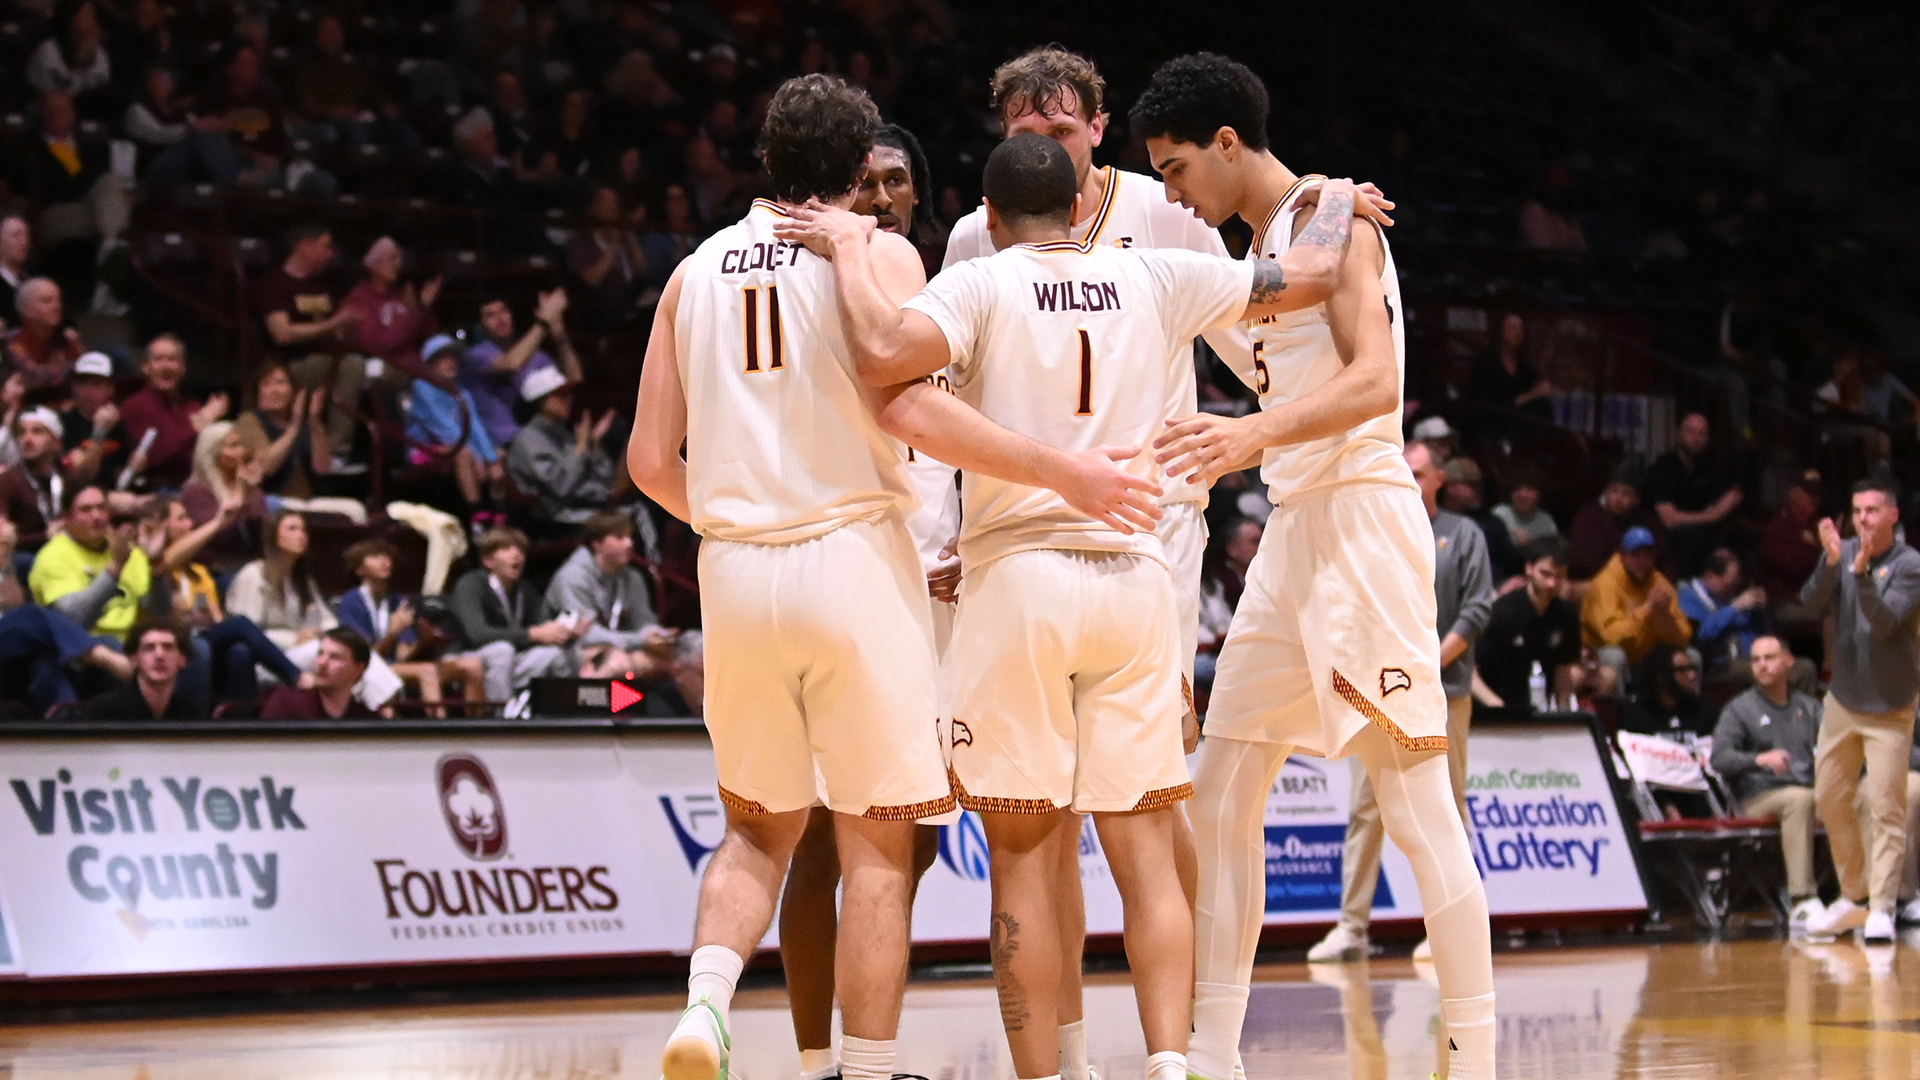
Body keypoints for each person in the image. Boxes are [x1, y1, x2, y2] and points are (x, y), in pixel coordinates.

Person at [777, 129, 1357, 1080]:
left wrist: (846, 247)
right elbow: (1312, 274)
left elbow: (884, 360)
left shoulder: (977, 283)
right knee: (1147, 851)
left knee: (1023, 860)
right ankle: (1171, 1064)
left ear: (990, 215)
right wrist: (1332, 193)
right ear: (1084, 206)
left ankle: (1043, 1076)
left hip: (1018, 582)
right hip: (1135, 580)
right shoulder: (1155, 273)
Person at [627, 78, 1164, 1080]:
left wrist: (743, 516)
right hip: (855, 559)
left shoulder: (690, 274)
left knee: (756, 830)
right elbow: (910, 412)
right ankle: (866, 1072)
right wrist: (1056, 470)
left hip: (734, 567)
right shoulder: (878, 255)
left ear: (767, 160)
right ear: (856, 170)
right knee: (877, 844)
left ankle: (705, 1003)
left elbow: (650, 462)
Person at [1131, 52, 1495, 1080]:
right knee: (1220, 791)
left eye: (1177, 168)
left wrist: (1246, 435)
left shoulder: (1337, 220)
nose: (1173, 193)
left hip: (1363, 520)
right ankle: (1212, 1054)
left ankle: (1474, 1056)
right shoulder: (1266, 248)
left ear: (1227, 143)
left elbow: (1377, 383)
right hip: (1295, 529)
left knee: (1416, 804)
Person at [777, 121, 952, 1077]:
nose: (881, 197)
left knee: (908, 849)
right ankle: (820, 1064)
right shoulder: (811, 292)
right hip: (848, 584)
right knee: (818, 842)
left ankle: (865, 1055)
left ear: (920, 193)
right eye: (865, 182)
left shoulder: (944, 289)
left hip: (938, 604)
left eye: (896, 181)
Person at [1310, 438, 1493, 964]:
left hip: (1442, 693)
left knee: (1446, 809)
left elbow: (1477, 609)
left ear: (1439, 479)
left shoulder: (1462, 534)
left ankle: (1449, 930)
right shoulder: (1375, 530)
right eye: (1402, 470)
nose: (1408, 480)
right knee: (1365, 810)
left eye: (1418, 472)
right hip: (1377, 695)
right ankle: (1351, 928)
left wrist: (1426, 664)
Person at [1801, 479, 1920, 943]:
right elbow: (1810, 602)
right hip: (1843, 700)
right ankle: (1854, 896)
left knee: (1887, 808)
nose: (1863, 519)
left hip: (1890, 707)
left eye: (1872, 510)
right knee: (1829, 797)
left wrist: (1861, 572)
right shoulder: (1843, 551)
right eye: (1856, 511)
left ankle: (1883, 908)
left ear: (1892, 515)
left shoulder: (1910, 565)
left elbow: (1885, 623)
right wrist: (1832, 562)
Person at [226, 509, 403, 708]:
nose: (301, 535)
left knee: (344, 650)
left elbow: (328, 620)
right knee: (330, 652)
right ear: (274, 536)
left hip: (303, 652)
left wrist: (321, 634)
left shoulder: (303, 581)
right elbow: (248, 632)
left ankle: (386, 706)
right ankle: (386, 707)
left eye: (303, 530)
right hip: (269, 660)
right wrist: (294, 639)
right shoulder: (254, 575)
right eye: (292, 529)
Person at [1709, 635, 1825, 930]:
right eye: (1756, 660)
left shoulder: (1810, 707)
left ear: (1789, 662)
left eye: (1769, 658)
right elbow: (1719, 758)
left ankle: (1870, 897)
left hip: (1811, 790)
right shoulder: (1739, 709)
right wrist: (1758, 759)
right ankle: (1802, 900)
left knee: (1862, 797)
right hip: (1758, 797)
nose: (1761, 665)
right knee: (1799, 799)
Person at [144, 493, 301, 707]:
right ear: (161, 527)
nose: (190, 524)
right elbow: (164, 564)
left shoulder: (199, 573)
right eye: (181, 519)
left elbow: (216, 619)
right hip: (172, 641)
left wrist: (206, 618)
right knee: (239, 624)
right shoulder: (151, 568)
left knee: (241, 652)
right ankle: (296, 677)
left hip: (202, 639)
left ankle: (239, 718)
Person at [543, 511, 697, 702]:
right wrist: (640, 640)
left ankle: (698, 716)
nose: (629, 543)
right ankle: (587, 715)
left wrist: (656, 635)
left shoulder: (633, 577)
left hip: (618, 644)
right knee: (619, 662)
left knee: (682, 658)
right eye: (619, 537)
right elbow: (587, 633)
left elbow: (643, 620)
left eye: (630, 537)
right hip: (566, 649)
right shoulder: (572, 577)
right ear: (597, 543)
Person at [253, 223, 366, 462]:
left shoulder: (323, 286)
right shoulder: (274, 283)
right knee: (352, 365)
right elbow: (281, 333)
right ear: (304, 246)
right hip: (290, 364)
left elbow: (337, 331)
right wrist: (333, 324)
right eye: (325, 246)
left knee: (358, 364)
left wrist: (348, 326)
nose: (330, 254)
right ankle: (336, 451)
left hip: (325, 361)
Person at [336, 538, 483, 717]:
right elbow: (366, 659)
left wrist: (423, 641)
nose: (385, 561)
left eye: (387, 557)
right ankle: (440, 729)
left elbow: (402, 657)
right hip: (371, 668)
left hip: (396, 666)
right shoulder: (352, 602)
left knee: (472, 665)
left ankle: (478, 726)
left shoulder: (398, 601)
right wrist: (392, 634)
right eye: (375, 557)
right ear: (359, 569)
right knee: (427, 671)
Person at [446, 527, 578, 706]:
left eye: (521, 550)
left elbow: (542, 628)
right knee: (502, 650)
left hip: (507, 662)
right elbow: (477, 634)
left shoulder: (524, 590)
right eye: (506, 549)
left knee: (555, 654)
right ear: (487, 561)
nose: (517, 555)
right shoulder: (470, 584)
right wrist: (532, 634)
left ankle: (564, 711)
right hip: (464, 655)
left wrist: (564, 633)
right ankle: (501, 715)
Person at [29, 484, 153, 645]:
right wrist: (115, 567)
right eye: (85, 510)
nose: (96, 516)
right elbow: (74, 620)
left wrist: (157, 570)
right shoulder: (53, 557)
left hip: (135, 643)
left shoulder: (128, 551)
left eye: (101, 508)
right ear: (67, 518)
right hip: (85, 646)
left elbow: (158, 612)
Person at [463, 289, 584, 453]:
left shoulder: (535, 355)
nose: (500, 319)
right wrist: (543, 321)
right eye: (490, 315)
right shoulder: (476, 355)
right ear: (479, 325)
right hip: (505, 444)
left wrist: (560, 337)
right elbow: (512, 363)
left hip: (542, 437)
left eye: (504, 311)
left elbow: (574, 378)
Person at [1474, 537, 1582, 716]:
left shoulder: (1566, 614)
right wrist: (1498, 708)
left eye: (1559, 576)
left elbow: (1564, 670)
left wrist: (1564, 712)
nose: (1552, 584)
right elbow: (1470, 674)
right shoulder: (1502, 613)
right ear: (1529, 568)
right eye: (1545, 574)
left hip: (1540, 713)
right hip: (1495, 714)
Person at [1580, 527, 1692, 696]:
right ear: (1622, 556)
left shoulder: (1659, 583)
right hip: (1600, 651)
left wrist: (1665, 617)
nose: (1641, 561)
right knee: (1616, 656)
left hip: (1644, 653)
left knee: (1690, 656)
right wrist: (1647, 609)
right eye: (1635, 555)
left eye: (1647, 555)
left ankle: (1689, 711)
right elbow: (1611, 637)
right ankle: (1618, 711)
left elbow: (1684, 637)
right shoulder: (1605, 584)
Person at [505, 366, 615, 529]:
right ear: (540, 401)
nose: (569, 399)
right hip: (551, 517)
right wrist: (580, 447)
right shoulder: (528, 440)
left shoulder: (565, 433)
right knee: (625, 521)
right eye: (560, 395)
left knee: (638, 509)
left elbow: (605, 479)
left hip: (587, 506)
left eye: (568, 394)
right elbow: (560, 488)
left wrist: (595, 443)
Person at [117, 333, 229, 490]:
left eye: (172, 359)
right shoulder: (135, 405)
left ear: (183, 368)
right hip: (156, 489)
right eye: (158, 359)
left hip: (199, 486)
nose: (166, 366)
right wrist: (198, 425)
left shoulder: (192, 406)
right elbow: (156, 457)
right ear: (146, 367)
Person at [406, 335, 502, 511]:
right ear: (429, 364)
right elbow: (444, 429)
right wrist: (477, 457)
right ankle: (477, 512)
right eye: (442, 357)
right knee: (464, 453)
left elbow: (475, 426)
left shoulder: (461, 391)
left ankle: (498, 512)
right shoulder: (422, 388)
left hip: (455, 445)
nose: (451, 362)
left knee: (498, 454)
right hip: (423, 449)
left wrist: (490, 458)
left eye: (453, 357)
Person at [1643, 413, 1742, 577]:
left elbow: (1711, 506)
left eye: (1702, 434)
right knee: (1692, 536)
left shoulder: (1706, 468)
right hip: (1667, 536)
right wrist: (1714, 515)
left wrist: (1725, 504)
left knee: (1738, 534)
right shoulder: (1664, 466)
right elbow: (1670, 519)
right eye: (1690, 432)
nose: (1696, 438)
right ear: (1678, 435)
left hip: (1701, 533)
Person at [178, 421, 270, 576]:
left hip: (249, 565)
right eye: (233, 446)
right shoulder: (196, 491)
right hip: (214, 569)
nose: (241, 451)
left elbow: (262, 535)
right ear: (212, 453)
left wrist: (251, 493)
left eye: (240, 445)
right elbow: (223, 537)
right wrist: (241, 492)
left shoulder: (248, 486)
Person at [342, 237, 441, 373]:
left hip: (415, 368)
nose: (399, 264)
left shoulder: (401, 296)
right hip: (384, 371)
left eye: (399, 258)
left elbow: (428, 336)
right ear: (373, 264)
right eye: (392, 258)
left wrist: (423, 308)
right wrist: (414, 312)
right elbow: (380, 344)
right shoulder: (359, 299)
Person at [1677, 548, 1769, 682]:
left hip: (1752, 654)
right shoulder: (1688, 598)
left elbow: (1761, 630)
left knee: (1795, 666)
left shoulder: (1730, 595)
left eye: (1735, 584)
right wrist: (1734, 608)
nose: (1732, 590)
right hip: (1720, 665)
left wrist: (1758, 610)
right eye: (1729, 585)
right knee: (1776, 672)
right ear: (1710, 576)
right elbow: (1701, 635)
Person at [76, 619, 198, 720]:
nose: (159, 655)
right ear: (134, 660)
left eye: (168, 647)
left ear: (182, 659)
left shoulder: (189, 714)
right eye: (149, 648)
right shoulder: (102, 711)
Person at [1566, 467, 1667, 584]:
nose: (1618, 499)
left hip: (1642, 583)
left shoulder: (1646, 521)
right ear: (1605, 492)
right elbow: (1587, 563)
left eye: (1626, 494)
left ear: (1636, 499)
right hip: (1594, 582)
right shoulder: (1588, 517)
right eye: (1614, 491)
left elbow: (1663, 559)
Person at [260, 628, 381, 720]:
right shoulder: (286, 703)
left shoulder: (365, 719)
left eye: (335, 657)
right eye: (320, 653)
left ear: (358, 669)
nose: (322, 663)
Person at [0, 406, 74, 552]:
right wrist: (44, 536)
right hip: (24, 555)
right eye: (22, 433)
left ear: (56, 442)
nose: (27, 439)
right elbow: (3, 539)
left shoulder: (66, 476)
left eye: (37, 432)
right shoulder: (7, 481)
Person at [1439, 456, 1519, 581]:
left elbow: (1511, 566)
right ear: (1451, 487)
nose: (1479, 490)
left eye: (1480, 485)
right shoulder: (1433, 523)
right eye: (1473, 485)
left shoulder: (1492, 524)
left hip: (1495, 588)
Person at [5, 277, 84, 397]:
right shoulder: (6, 346)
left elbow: (85, 380)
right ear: (25, 308)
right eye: (46, 301)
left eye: (58, 300)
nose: (56, 307)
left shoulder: (68, 341)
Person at [1618, 643, 1711, 740]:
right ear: (1661, 677)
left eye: (1692, 668)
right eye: (1682, 670)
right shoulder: (1636, 716)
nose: (1692, 675)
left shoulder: (1705, 712)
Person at [1490, 475, 1557, 548]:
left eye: (1529, 490)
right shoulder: (1499, 514)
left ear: (1539, 495)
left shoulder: (1546, 522)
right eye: (1517, 489)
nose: (1522, 495)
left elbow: (1552, 551)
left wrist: (1529, 544)